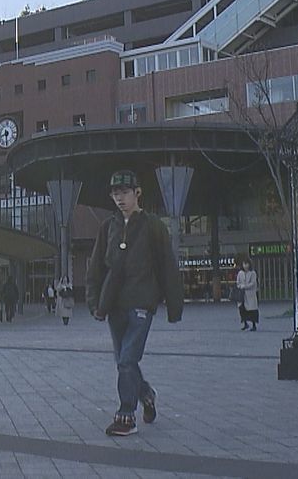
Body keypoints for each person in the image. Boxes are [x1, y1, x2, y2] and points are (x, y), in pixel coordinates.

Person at [86, 170, 184, 437]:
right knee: (124, 361)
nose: (120, 199)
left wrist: (175, 306)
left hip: (142, 302)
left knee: (127, 359)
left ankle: (126, 414)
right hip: (114, 305)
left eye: (125, 193)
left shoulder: (153, 226)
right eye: (115, 194)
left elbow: (167, 266)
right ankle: (147, 394)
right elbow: (96, 267)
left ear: (137, 193)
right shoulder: (108, 227)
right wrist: (94, 301)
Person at [236, 258, 259, 331]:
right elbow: (238, 282)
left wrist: (245, 286)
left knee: (252, 310)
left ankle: (254, 325)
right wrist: (240, 286)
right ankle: (245, 323)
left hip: (250, 294)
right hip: (242, 295)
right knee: (242, 309)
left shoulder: (253, 273)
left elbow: (253, 283)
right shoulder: (240, 273)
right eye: (244, 264)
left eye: (246, 264)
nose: (245, 266)